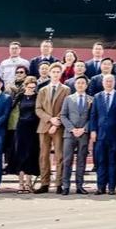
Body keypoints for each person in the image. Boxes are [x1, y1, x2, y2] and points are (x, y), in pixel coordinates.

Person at [34, 63, 69, 194]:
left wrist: (56, 122)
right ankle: (45, 183)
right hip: (44, 126)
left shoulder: (66, 89)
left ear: (60, 74)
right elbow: (38, 109)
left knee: (59, 156)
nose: (55, 74)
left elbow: (65, 107)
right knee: (43, 156)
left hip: (59, 127)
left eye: (57, 72)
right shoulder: (43, 90)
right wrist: (50, 119)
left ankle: (59, 183)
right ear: (49, 73)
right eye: (53, 72)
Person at [90, 74, 116, 195]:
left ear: (114, 83)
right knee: (101, 161)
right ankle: (101, 187)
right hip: (100, 135)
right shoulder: (97, 97)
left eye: (111, 81)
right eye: (106, 81)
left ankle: (112, 187)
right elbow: (93, 115)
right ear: (103, 83)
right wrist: (93, 130)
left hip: (115, 134)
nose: (109, 83)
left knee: (114, 161)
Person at [61, 75, 92, 195]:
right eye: (78, 83)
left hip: (83, 134)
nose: (80, 85)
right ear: (74, 85)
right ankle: (66, 186)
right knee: (67, 160)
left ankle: (79, 186)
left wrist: (84, 129)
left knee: (81, 160)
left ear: (86, 85)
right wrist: (72, 129)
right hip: (70, 134)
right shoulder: (68, 99)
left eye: (83, 83)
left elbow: (92, 117)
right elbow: (63, 115)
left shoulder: (91, 99)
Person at [13, 77, 40, 193]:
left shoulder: (38, 96)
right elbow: (11, 108)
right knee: (20, 154)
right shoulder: (20, 96)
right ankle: (20, 183)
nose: (31, 89)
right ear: (25, 86)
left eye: (33, 87)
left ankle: (29, 183)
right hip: (21, 127)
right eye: (29, 87)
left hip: (33, 128)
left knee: (31, 154)